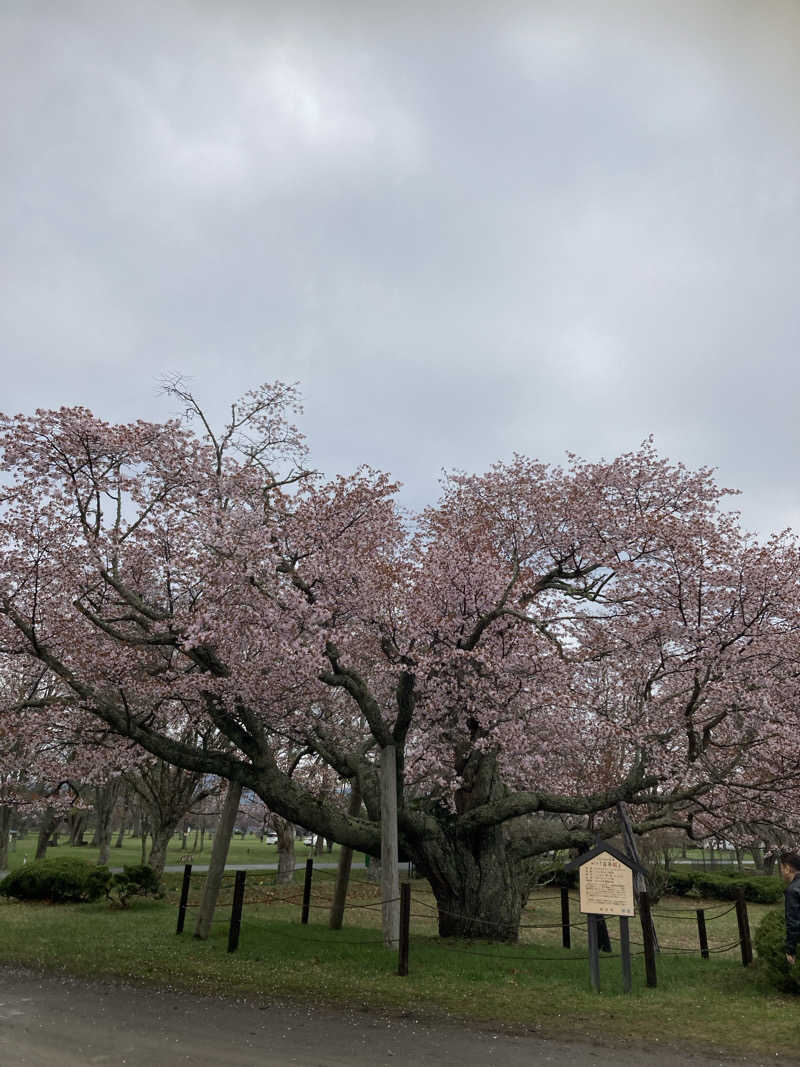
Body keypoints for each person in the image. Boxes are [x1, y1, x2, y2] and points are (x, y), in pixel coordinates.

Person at [779, 851, 800, 966]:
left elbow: (793, 922)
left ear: (787, 868)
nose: (781, 872)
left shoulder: (792, 890)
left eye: (781, 868)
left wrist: (791, 950)